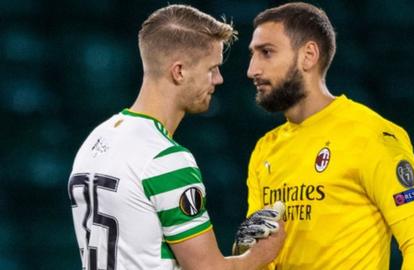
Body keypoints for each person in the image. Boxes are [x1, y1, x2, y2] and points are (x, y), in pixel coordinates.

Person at [67, 4, 285, 270]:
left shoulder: (95, 140)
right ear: (179, 71)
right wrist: (262, 255)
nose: (219, 79)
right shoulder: (164, 158)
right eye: (212, 68)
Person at [241, 2, 414, 269]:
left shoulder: (370, 134)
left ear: (308, 55)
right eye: (253, 54)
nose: (252, 70)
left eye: (266, 52)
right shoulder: (265, 149)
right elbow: (260, 254)